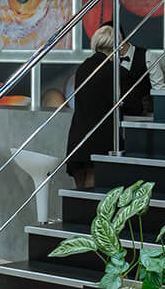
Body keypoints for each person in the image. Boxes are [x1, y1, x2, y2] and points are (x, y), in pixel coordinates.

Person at [63, 25, 151, 189]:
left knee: (78, 194)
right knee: (94, 194)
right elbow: (134, 106)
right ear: (117, 46)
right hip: (101, 140)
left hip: (77, 138)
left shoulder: (83, 68)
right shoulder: (116, 72)